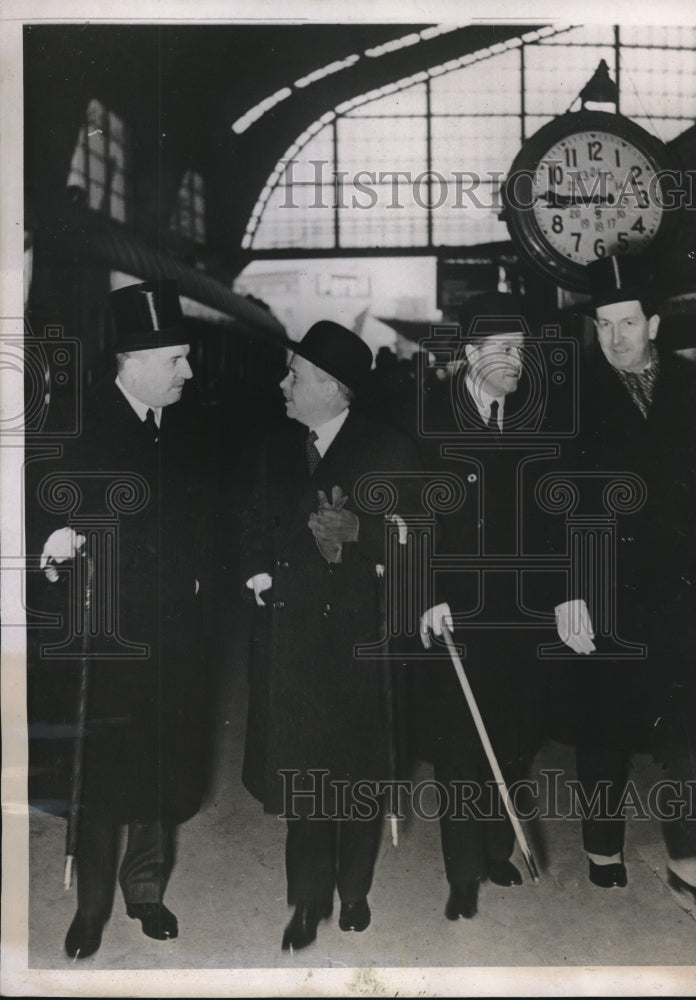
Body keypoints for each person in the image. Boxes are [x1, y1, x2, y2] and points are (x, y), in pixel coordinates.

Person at [553, 255, 696, 908]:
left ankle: (688, 858)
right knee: (604, 724)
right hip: (602, 584)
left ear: (652, 323)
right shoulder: (569, 395)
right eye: (603, 324)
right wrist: (568, 592)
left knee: (693, 726)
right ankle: (602, 844)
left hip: (685, 585)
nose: (615, 336)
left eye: (627, 321)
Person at [32, 279, 211, 958]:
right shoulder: (78, 422)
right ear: (131, 363)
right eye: (176, 360)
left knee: (159, 764)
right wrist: (57, 532)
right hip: (101, 627)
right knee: (103, 771)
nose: (188, 373)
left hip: (170, 628)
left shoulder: (187, 422)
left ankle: (146, 891)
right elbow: (40, 498)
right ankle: (90, 909)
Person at [240, 320, 421, 952]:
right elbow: (255, 524)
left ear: (334, 388)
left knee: (356, 772)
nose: (283, 383)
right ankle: (306, 901)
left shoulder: (388, 450)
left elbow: (418, 545)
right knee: (303, 774)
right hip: (292, 635)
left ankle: (355, 892)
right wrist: (258, 570)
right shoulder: (275, 448)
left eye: (296, 375)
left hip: (356, 637)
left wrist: (361, 536)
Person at [418, 292, 555, 921]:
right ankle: (461, 872)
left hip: (519, 613)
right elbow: (411, 520)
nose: (514, 362)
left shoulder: (533, 420)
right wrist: (426, 593)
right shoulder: (429, 421)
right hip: (455, 610)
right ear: (470, 354)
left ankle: (498, 849)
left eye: (520, 351)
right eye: (501, 350)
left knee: (512, 735)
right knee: (458, 743)